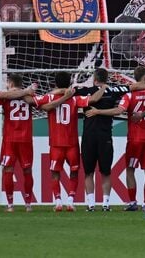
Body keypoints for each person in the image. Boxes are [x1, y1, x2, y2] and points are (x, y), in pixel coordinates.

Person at [94, 66, 145, 218]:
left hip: (135, 139)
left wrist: (99, 111)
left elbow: (119, 111)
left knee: (130, 170)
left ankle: (132, 202)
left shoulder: (129, 95)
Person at [37, 72, 105, 212]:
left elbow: (39, 104)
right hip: (72, 143)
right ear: (70, 83)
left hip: (56, 144)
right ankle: (70, 200)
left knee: (55, 173)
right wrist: (104, 88)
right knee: (74, 172)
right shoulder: (74, 99)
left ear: (55, 83)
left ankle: (58, 201)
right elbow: (93, 99)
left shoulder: (49, 97)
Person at [74, 68, 133, 212]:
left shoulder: (84, 91)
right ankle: (105, 204)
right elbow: (133, 87)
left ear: (94, 78)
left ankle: (91, 204)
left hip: (88, 136)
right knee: (105, 172)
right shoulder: (113, 91)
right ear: (106, 79)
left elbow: (66, 92)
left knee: (89, 172)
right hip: (105, 136)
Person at [0, 73, 38, 212]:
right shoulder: (29, 96)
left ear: (10, 83)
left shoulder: (4, 97)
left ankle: (10, 205)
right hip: (25, 139)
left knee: (8, 170)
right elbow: (40, 104)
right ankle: (28, 205)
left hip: (10, 139)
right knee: (27, 170)